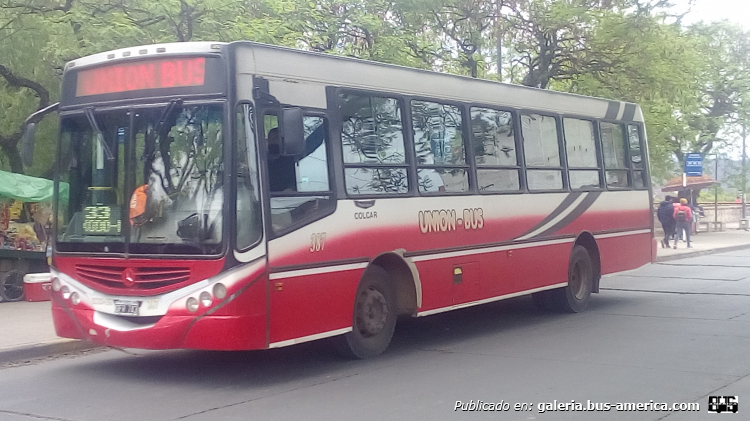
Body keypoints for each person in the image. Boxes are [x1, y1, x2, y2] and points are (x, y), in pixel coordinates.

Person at [266, 128, 297, 192]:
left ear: (282, 140)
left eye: (276, 139)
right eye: (270, 139)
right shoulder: (262, 161)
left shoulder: (290, 161)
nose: (272, 142)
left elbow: (293, 183)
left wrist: (290, 190)